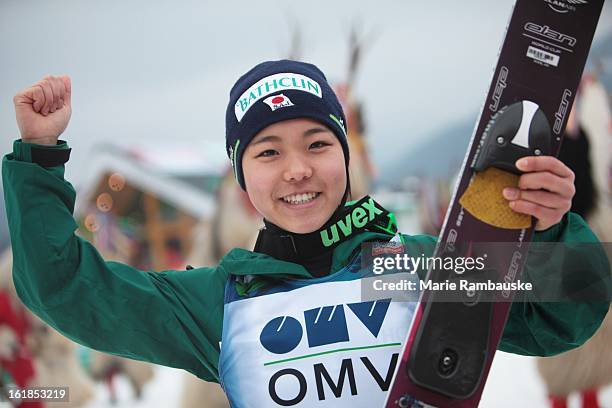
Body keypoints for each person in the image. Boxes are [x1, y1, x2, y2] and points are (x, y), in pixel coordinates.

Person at [3, 60, 609, 407]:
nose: (297, 169)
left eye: (318, 143)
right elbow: (65, 289)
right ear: (243, 176)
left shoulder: (416, 267)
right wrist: (37, 155)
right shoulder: (221, 301)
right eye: (267, 152)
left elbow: (561, 315)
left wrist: (552, 230)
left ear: (346, 158)